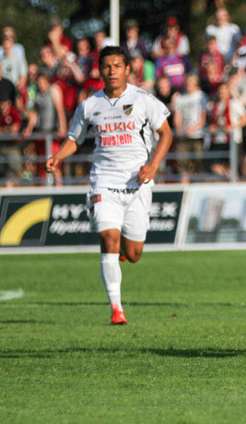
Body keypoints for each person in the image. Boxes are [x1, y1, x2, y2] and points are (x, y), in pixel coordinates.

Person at [45, 46, 173, 324]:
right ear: (100, 70)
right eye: (107, 66)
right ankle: (117, 309)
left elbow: (165, 134)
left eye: (117, 66)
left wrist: (152, 165)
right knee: (109, 239)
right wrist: (57, 157)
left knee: (135, 254)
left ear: (128, 69)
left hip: (138, 184)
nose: (112, 71)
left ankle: (124, 255)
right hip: (104, 182)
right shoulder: (90, 105)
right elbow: (73, 139)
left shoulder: (143, 99)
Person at [172, 74, 207, 181]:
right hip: (183, 135)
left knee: (199, 160)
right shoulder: (180, 98)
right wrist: (179, 129)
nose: (189, 86)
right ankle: (184, 182)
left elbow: (203, 117)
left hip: (197, 134)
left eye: (191, 84)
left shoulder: (201, 96)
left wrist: (193, 128)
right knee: (182, 161)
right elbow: (177, 116)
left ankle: (199, 181)